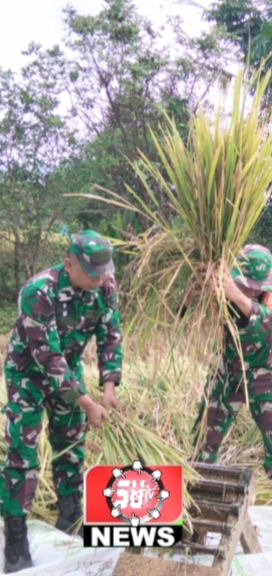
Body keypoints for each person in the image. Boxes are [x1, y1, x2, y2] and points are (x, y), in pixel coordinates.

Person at [2, 231, 121, 573]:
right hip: (29, 371)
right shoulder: (38, 291)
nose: (99, 279)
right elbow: (49, 359)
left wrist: (109, 386)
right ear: (69, 263)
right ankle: (15, 534)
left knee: (71, 446)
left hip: (68, 370)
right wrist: (88, 403)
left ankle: (69, 513)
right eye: (91, 272)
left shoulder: (105, 286)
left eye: (103, 272)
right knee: (22, 453)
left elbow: (110, 332)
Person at [190, 244, 272, 551]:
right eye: (247, 285)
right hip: (227, 373)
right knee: (201, 446)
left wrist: (236, 296)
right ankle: (193, 514)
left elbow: (269, 326)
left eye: (257, 288)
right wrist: (198, 287)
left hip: (263, 375)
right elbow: (185, 311)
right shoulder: (223, 284)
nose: (254, 290)